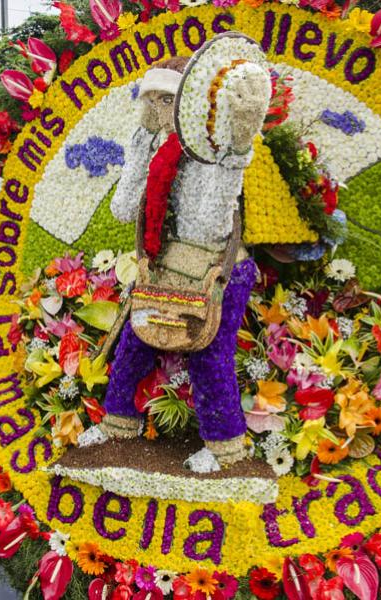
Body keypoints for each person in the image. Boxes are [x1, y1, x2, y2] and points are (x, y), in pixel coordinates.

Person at [81, 36, 272, 472]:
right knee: (133, 344)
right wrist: (140, 147)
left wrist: (235, 155)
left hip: (216, 269)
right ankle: (117, 425)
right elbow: (123, 209)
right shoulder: (156, 150)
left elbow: (209, 225)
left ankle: (226, 447)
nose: (159, 112)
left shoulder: (215, 153)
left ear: (190, 104)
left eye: (168, 101)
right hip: (166, 265)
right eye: (151, 101)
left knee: (209, 356)